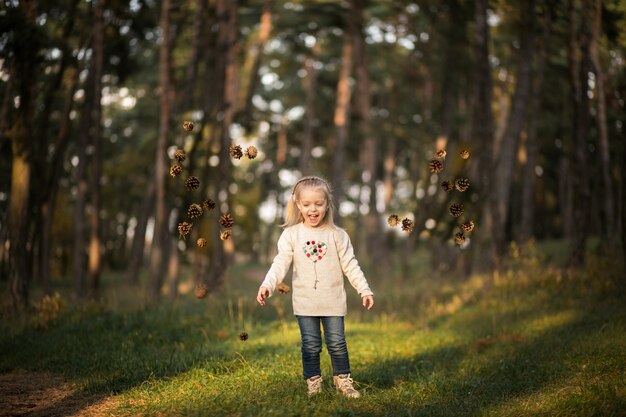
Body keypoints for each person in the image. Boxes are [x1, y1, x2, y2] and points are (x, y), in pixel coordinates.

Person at [256, 176, 375, 398]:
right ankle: (314, 383)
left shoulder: (337, 235)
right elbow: (280, 263)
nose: (313, 209)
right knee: (310, 346)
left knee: (337, 344)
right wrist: (267, 285)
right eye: (307, 204)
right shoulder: (292, 235)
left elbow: (350, 265)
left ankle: (343, 382)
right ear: (298, 205)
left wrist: (364, 289)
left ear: (327, 204)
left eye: (318, 204)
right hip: (305, 303)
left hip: (333, 302)